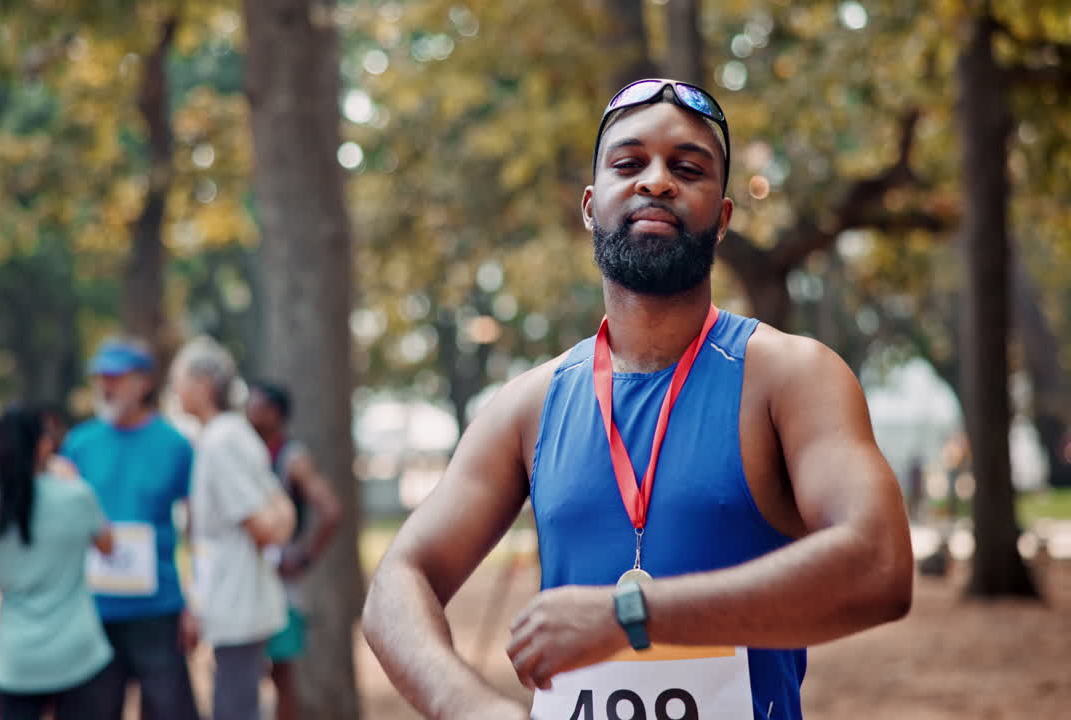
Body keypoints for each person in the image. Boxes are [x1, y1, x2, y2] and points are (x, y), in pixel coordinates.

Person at [362, 79, 914, 720]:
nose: (657, 182)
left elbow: (880, 565)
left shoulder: (793, 377)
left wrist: (631, 615)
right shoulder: (529, 406)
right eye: (628, 164)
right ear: (590, 205)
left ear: (723, 218)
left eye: (688, 168)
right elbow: (398, 582)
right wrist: (472, 709)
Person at [61, 338, 200, 720]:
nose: (106, 386)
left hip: (159, 608)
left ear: (144, 383)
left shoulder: (175, 445)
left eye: (116, 378)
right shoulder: (78, 444)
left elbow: (196, 526)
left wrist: (195, 600)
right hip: (93, 611)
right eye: (101, 378)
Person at [0, 407, 117, 720]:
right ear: (43, 445)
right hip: (80, 653)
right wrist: (71, 478)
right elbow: (108, 546)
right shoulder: (76, 497)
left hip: (17, 661)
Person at [171, 337, 296, 720]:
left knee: (234, 707)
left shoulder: (221, 440)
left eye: (179, 379)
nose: (175, 389)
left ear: (203, 384)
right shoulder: (230, 433)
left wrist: (274, 525)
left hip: (236, 600)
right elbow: (281, 510)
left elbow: (265, 526)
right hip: (236, 598)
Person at [246, 381, 342, 720]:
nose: (249, 413)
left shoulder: (291, 458)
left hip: (279, 584)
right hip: (249, 578)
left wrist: (302, 556)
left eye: (257, 406)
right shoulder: (248, 453)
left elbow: (330, 510)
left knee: (280, 672)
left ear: (275, 413)